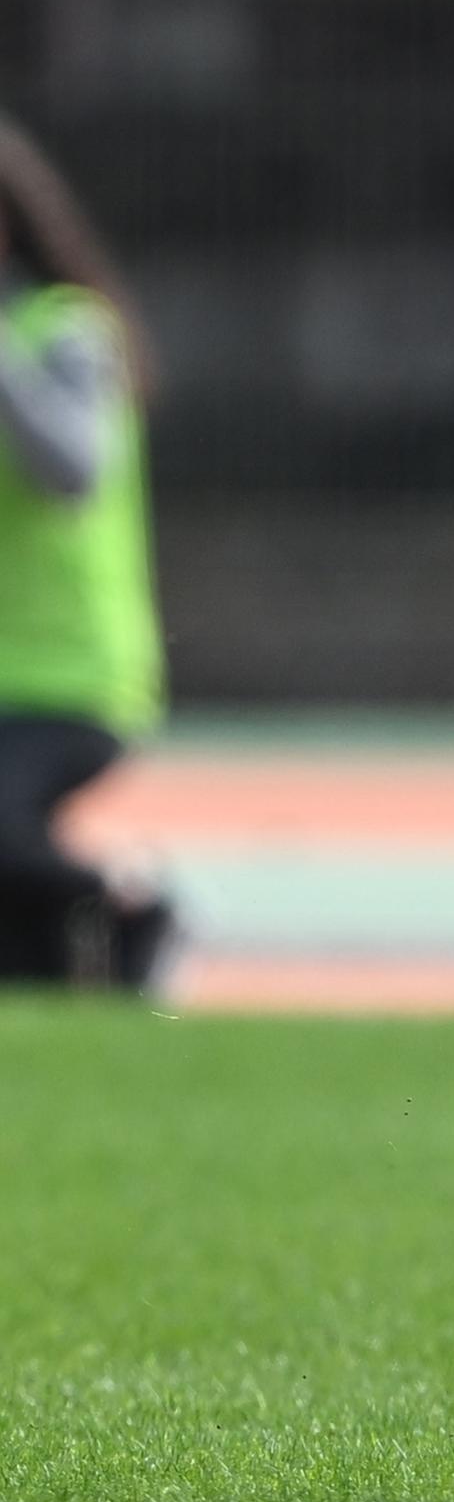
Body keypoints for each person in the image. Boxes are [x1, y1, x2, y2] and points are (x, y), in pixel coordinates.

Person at [0, 116, 173, 992]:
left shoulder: (66, 332)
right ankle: (64, 961)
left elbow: (74, 468)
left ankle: (130, 904)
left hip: (70, 676)